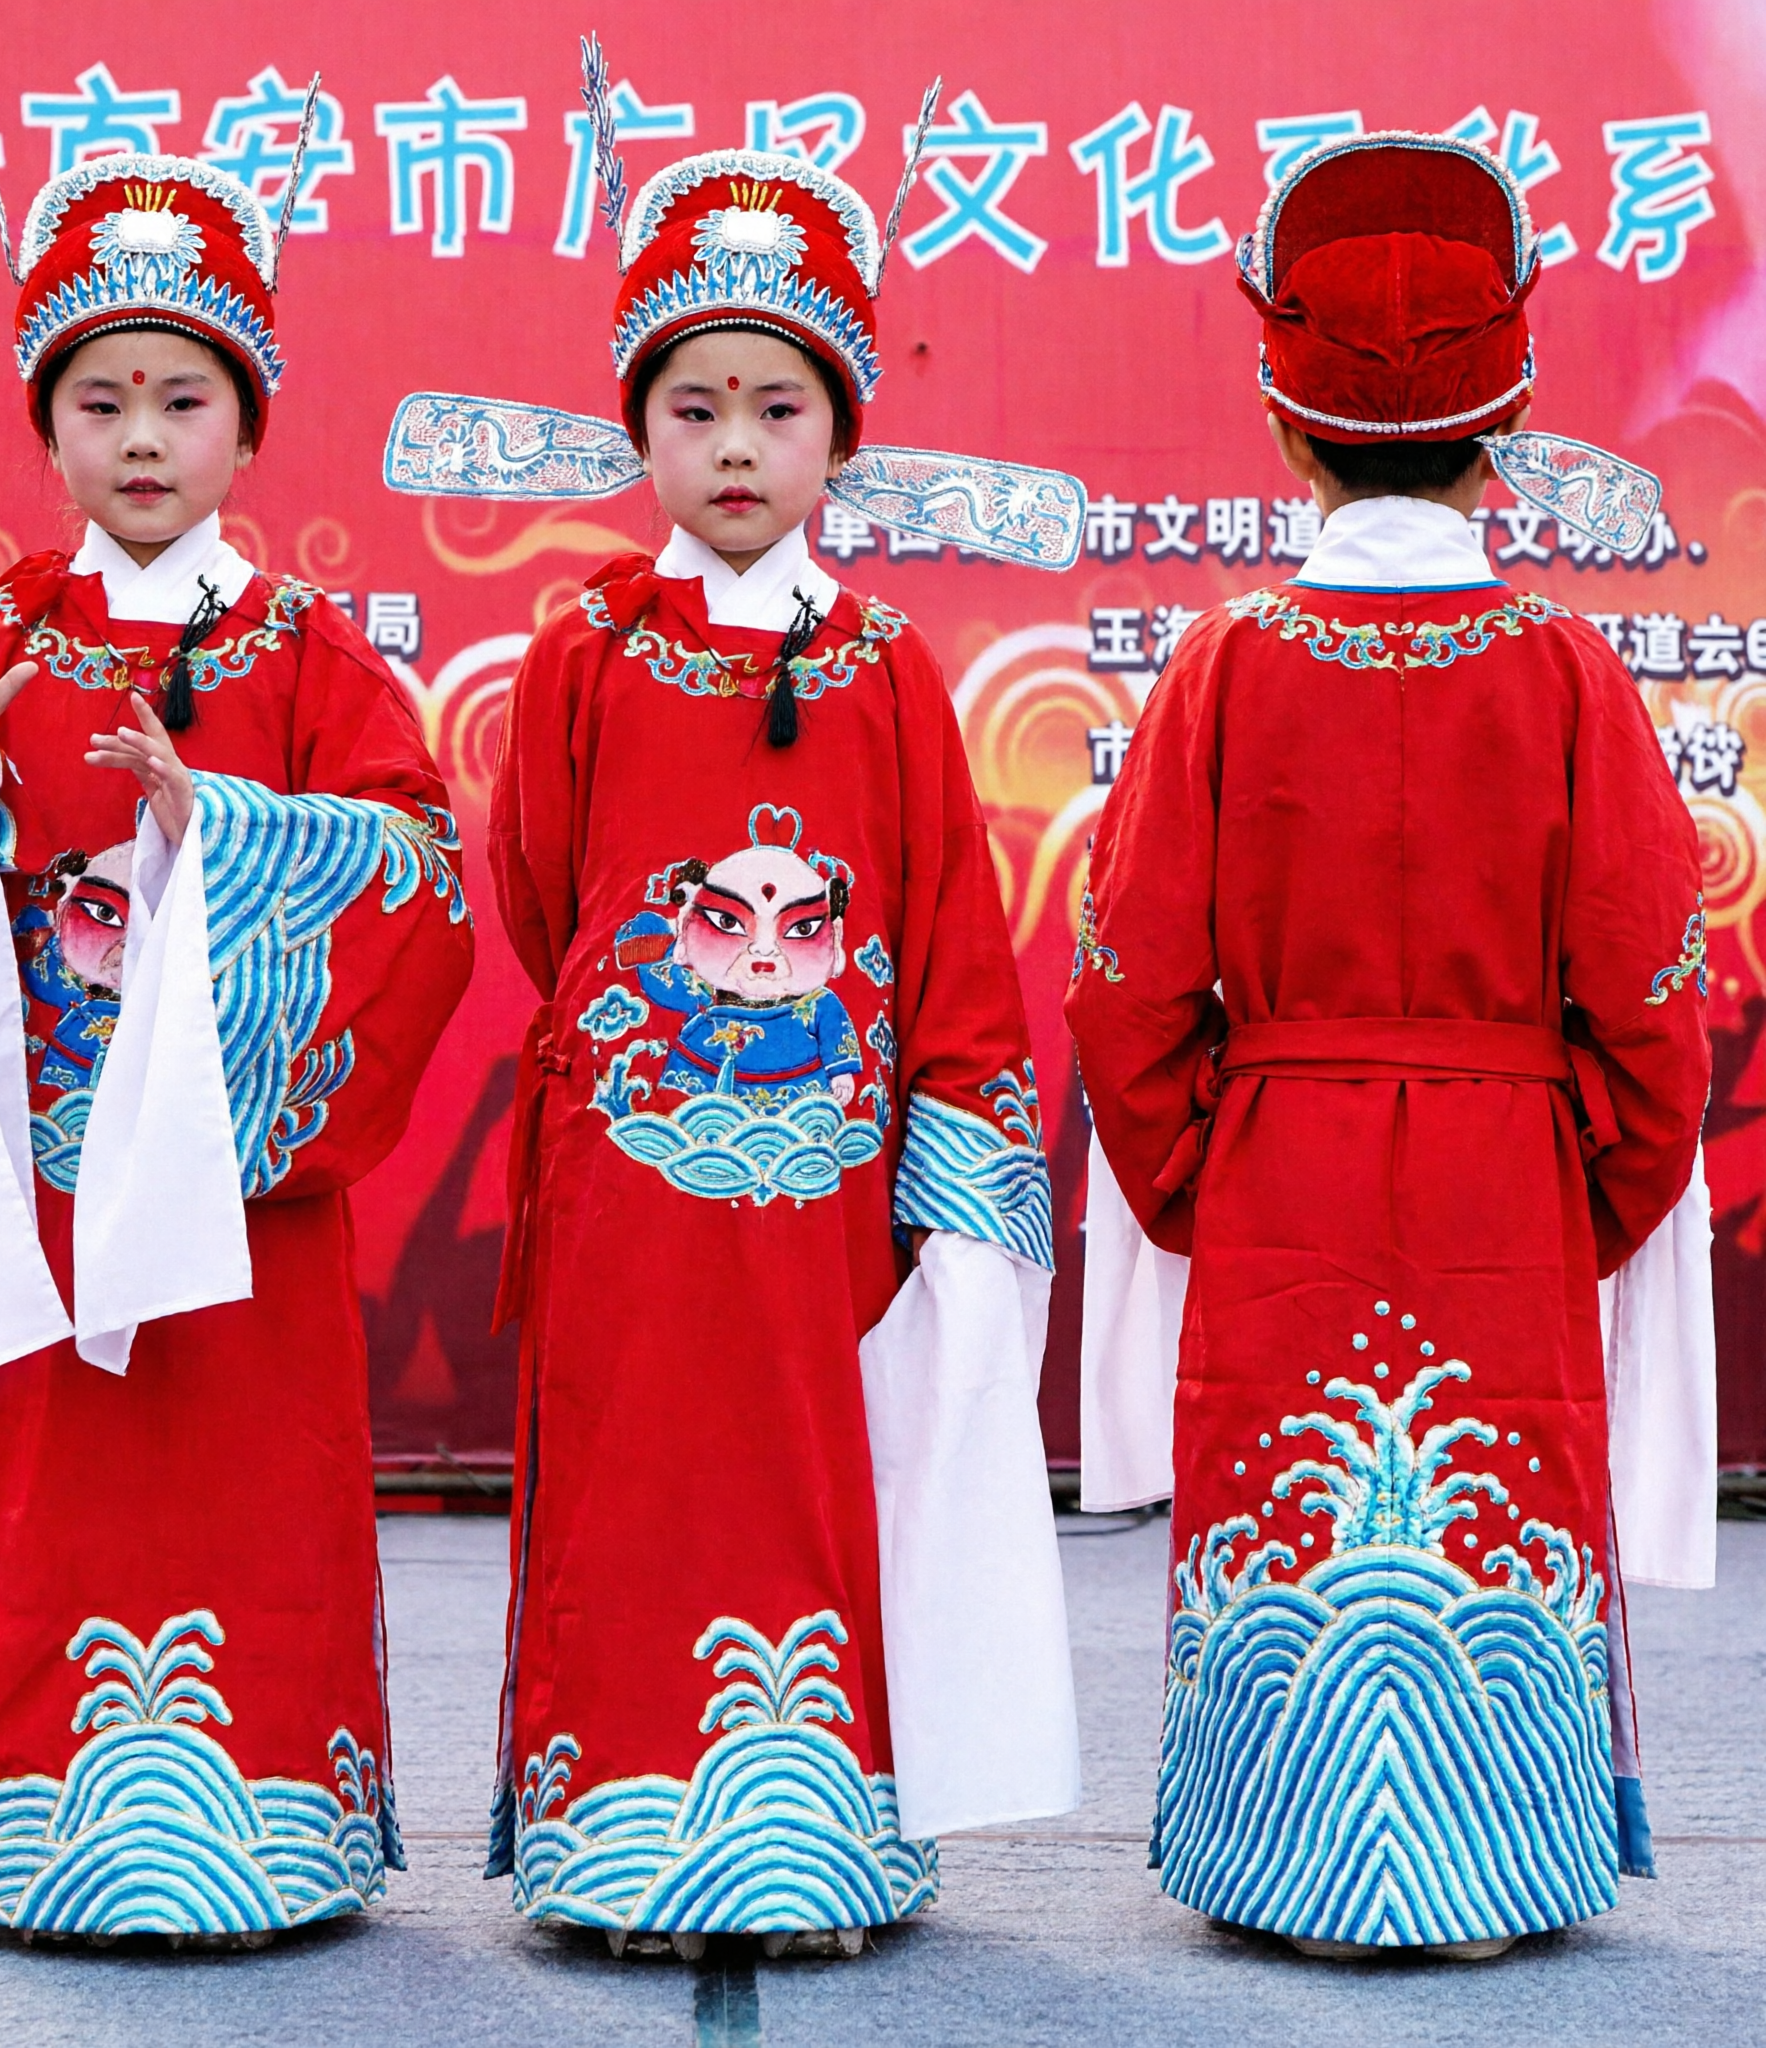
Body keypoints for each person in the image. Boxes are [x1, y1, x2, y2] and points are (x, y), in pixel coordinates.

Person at [393, 85, 1083, 1957]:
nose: (735, 448)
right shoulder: (582, 650)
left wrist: (953, 1184)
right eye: (692, 409)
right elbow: (542, 895)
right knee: (627, 1479)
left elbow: (945, 937)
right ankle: (618, 1850)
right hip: (631, 1179)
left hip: (826, 1193)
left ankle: (816, 1849)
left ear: (841, 434)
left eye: (778, 409)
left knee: (811, 1479)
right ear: (637, 431)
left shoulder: (886, 671)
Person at [0, 141, 473, 1942]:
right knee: (50, 1504)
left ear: (249, 426)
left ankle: (271, 1829)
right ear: (48, 423)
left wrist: (218, 835)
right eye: (102, 400)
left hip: (241, 1205)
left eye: (183, 397)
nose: (141, 436)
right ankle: (37, 1826)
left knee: (250, 1498)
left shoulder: (321, 656)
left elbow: (420, 881)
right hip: (51, 1201)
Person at [1066, 131, 1713, 1959]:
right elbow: (1651, 987)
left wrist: (1202, 1166)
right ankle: (1493, 1865)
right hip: (1512, 1169)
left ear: (1286, 427)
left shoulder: (1222, 664)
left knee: (1300, 1485)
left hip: (1282, 1158)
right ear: (1505, 428)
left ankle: (1291, 1864)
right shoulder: (1569, 670)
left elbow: (1124, 983)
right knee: (1488, 1480)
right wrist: (1587, 1187)